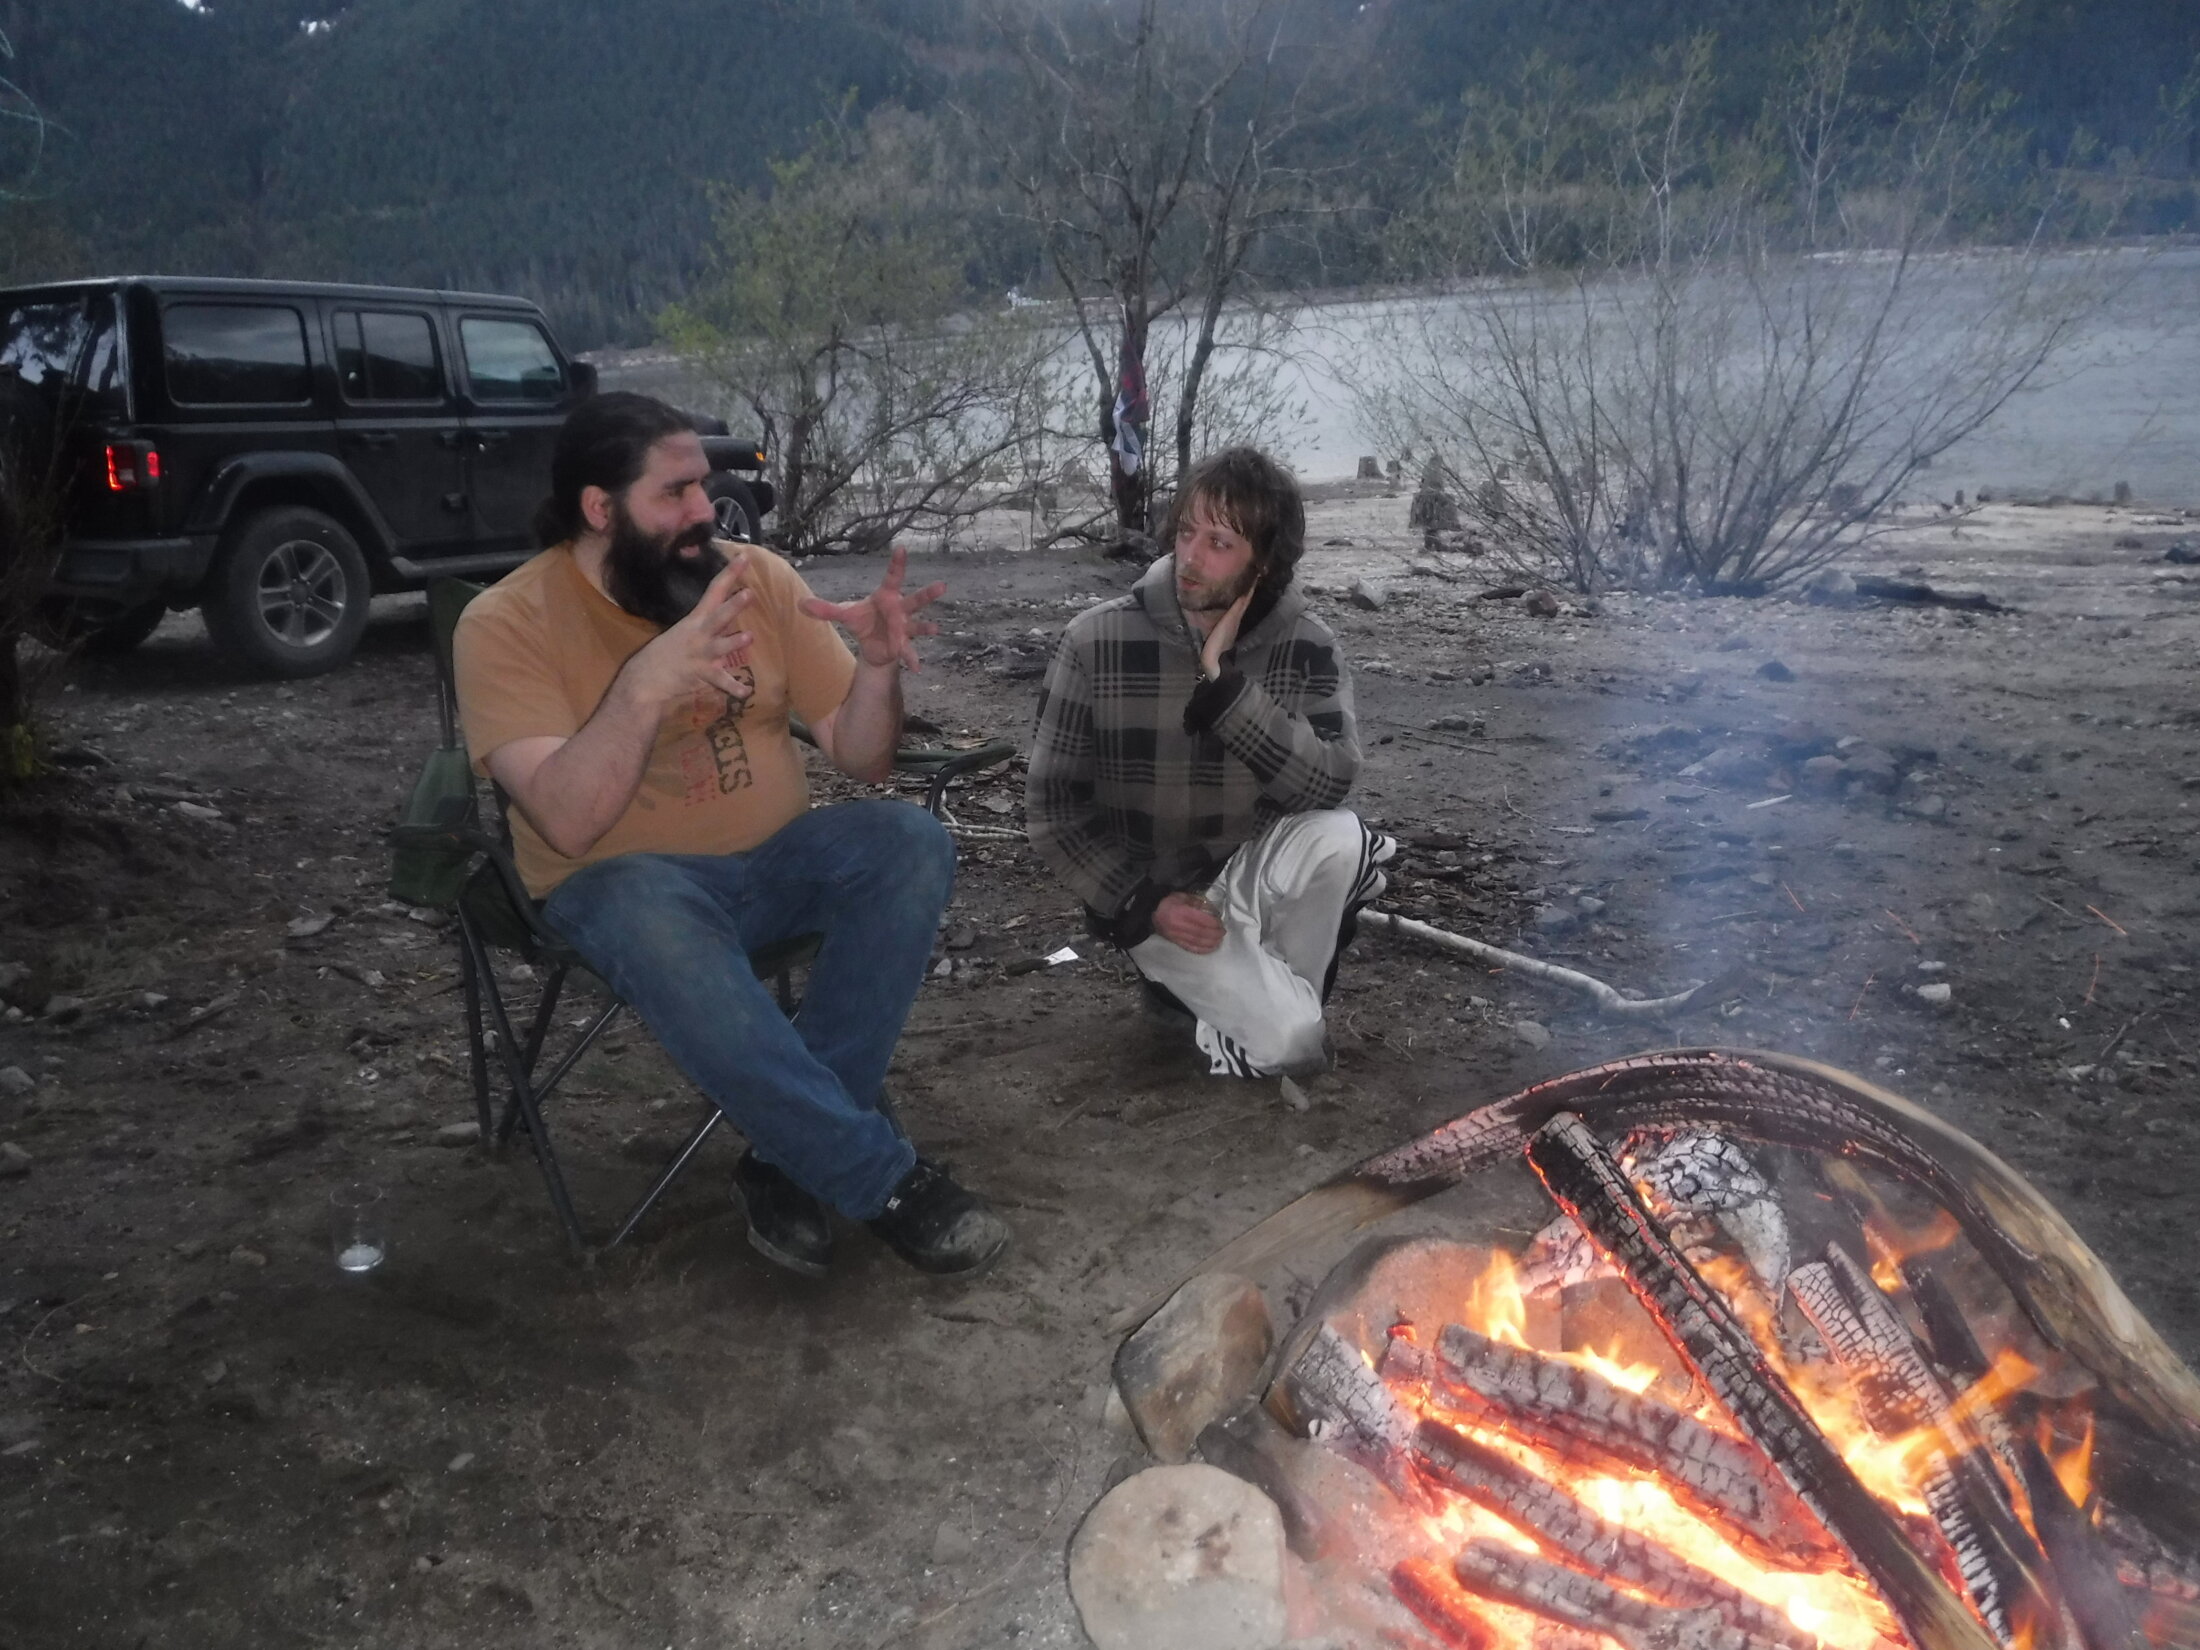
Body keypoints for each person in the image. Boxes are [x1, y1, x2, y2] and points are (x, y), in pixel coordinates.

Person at [453, 391, 1007, 1277]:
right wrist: (645, 685)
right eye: (674, 493)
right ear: (599, 508)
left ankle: (786, 1162)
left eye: (702, 487)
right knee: (645, 907)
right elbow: (566, 819)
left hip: (773, 866)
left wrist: (875, 671)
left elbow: (862, 757)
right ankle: (883, 1181)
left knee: (909, 841)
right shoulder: (505, 624)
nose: (705, 511)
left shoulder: (756, 578)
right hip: (623, 887)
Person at [1026, 445, 1393, 1078]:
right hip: (1160, 894)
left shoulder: (1307, 643)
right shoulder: (1095, 641)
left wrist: (1227, 692)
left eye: (1219, 542)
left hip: (1256, 871)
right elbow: (1052, 809)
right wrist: (1142, 900)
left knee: (1341, 838)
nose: (1191, 557)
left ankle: (1247, 998)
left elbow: (1331, 782)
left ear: (1263, 562)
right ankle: (1245, 1008)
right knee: (1293, 1048)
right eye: (1187, 532)